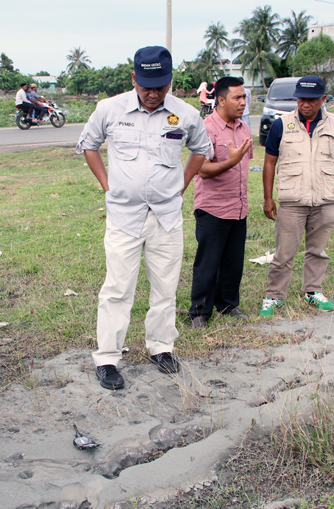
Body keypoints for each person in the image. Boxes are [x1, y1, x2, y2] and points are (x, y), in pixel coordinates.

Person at [76, 46, 211, 390]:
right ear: (134, 78)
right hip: (124, 217)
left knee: (165, 288)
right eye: (146, 86)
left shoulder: (186, 114)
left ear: (170, 82)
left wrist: (182, 185)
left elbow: (200, 149)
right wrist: (107, 185)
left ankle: (161, 348)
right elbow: (89, 145)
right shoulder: (110, 109)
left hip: (166, 217)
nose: (153, 94)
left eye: (160, 86)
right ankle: (108, 358)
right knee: (118, 289)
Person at [260, 75, 334, 316]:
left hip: (325, 199)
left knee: (318, 250)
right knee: (284, 252)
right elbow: (270, 162)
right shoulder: (282, 124)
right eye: (301, 99)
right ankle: (274, 296)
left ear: (323, 99)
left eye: (312, 100)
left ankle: (313, 291)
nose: (305, 104)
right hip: (292, 200)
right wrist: (268, 197)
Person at [188, 76, 253, 329]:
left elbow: (245, 164)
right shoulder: (206, 128)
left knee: (233, 261)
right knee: (208, 262)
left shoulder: (244, 128)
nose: (243, 102)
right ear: (222, 100)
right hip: (212, 208)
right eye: (237, 97)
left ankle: (227, 304)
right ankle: (200, 313)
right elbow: (202, 169)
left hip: (237, 207)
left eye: (244, 97)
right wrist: (231, 162)